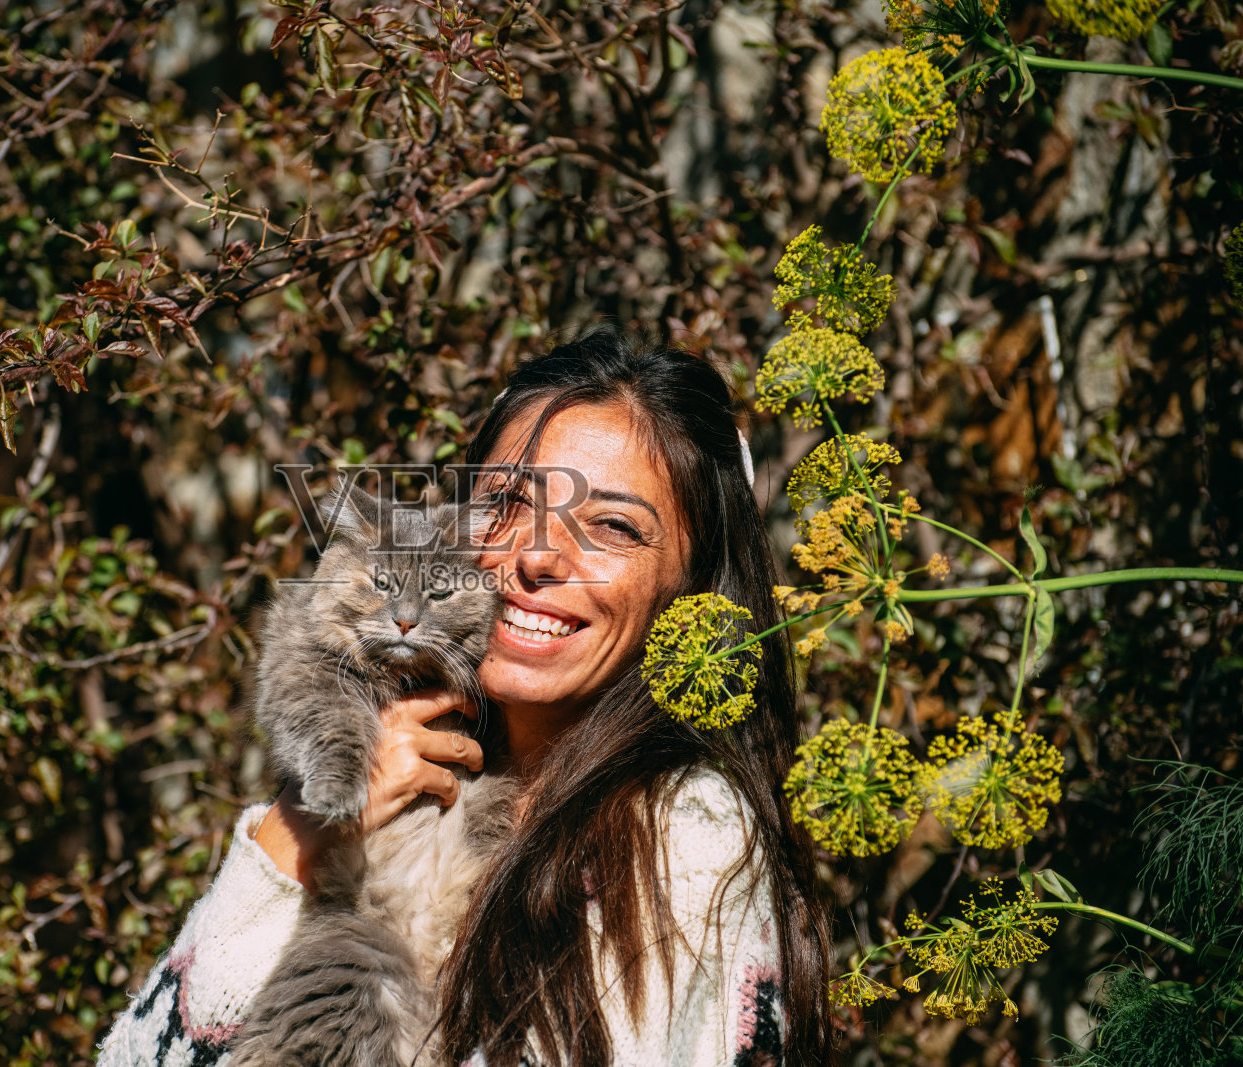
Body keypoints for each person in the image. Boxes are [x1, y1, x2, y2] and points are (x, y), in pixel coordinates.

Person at [96, 325, 833, 1066]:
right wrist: (287, 846)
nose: (538, 555)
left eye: (612, 525)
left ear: (691, 587)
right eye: (507, 502)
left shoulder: (690, 833)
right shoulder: (414, 771)